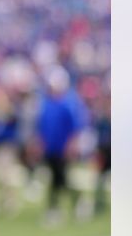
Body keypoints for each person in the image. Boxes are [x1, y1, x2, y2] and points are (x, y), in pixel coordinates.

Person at [33, 64, 90, 225]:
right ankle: (76, 202)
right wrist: (40, 144)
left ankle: (57, 208)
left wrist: (71, 146)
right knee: (58, 179)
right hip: (51, 147)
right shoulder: (47, 103)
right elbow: (43, 127)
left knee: (60, 179)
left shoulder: (69, 103)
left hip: (63, 147)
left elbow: (75, 128)